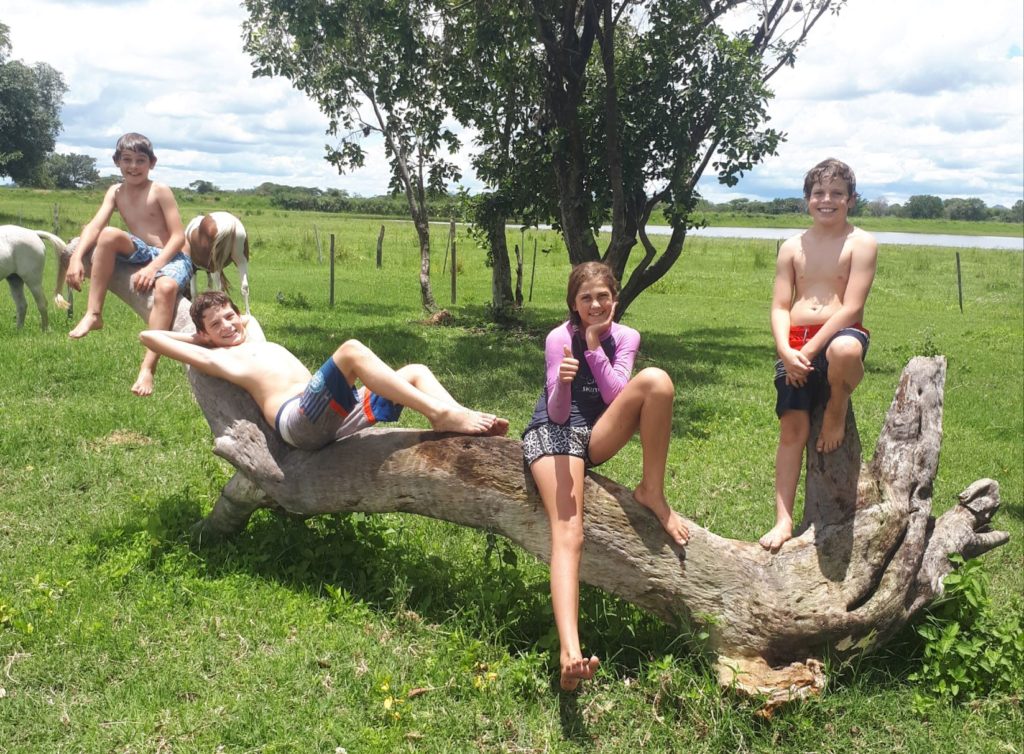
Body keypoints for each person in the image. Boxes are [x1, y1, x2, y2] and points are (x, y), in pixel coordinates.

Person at [521, 262, 689, 692]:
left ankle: (652, 489)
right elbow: (558, 413)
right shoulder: (559, 338)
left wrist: (595, 348)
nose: (595, 305)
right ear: (573, 305)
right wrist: (561, 382)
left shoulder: (626, 337)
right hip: (553, 432)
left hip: (593, 436)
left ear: (614, 299)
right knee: (570, 533)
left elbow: (618, 395)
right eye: (585, 298)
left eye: (603, 297)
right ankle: (569, 654)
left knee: (657, 382)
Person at [139, 291, 509, 449]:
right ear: (204, 334)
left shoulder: (253, 337)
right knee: (350, 351)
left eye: (229, 316)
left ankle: (456, 417)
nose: (228, 325)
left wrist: (231, 320)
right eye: (215, 324)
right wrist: (200, 341)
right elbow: (149, 335)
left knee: (415, 369)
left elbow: (248, 317)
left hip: (332, 412)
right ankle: (439, 413)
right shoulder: (218, 359)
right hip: (299, 421)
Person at [760, 158, 878, 553]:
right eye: (819, 193)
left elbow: (852, 308)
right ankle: (783, 519)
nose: (827, 200)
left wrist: (810, 350)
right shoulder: (792, 247)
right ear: (807, 200)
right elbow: (780, 305)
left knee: (844, 348)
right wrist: (786, 349)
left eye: (837, 193)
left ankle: (835, 409)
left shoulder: (862, 243)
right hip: (795, 341)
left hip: (839, 336)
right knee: (791, 430)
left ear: (851, 200)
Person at [66, 132, 194, 397]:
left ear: (152, 163)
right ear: (116, 162)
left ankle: (148, 367)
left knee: (167, 288)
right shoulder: (115, 191)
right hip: (140, 249)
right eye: (127, 160)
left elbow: (178, 237)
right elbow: (95, 225)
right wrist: (76, 257)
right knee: (109, 234)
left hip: (170, 255)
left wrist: (153, 268)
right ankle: (94, 314)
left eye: (140, 160)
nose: (133, 166)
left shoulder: (159, 190)